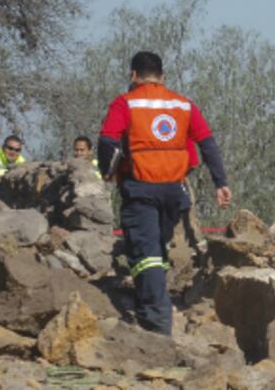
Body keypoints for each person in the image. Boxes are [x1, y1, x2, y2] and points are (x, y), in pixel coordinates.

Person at [97, 51, 231, 335]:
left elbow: (108, 142)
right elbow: (207, 143)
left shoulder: (125, 103)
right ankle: (153, 303)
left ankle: (156, 321)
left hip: (141, 188)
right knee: (157, 250)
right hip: (174, 192)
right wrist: (221, 182)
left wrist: (106, 173)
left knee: (145, 252)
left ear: (133, 75)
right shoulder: (183, 104)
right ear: (162, 76)